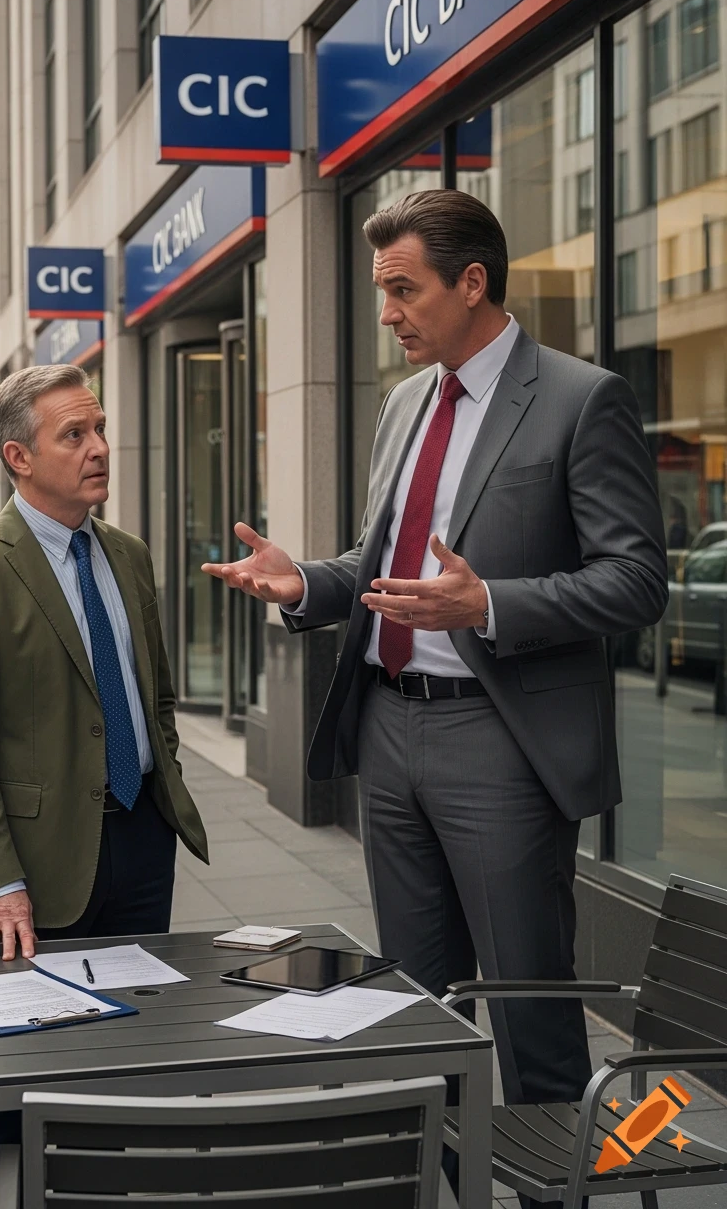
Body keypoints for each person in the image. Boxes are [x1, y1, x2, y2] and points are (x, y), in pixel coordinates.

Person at [205, 189, 668, 1207]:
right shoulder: (404, 402)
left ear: (471, 282)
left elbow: (637, 579)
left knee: (527, 1011)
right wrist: (305, 583)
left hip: (500, 746)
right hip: (389, 729)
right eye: (379, 292)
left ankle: (560, 1192)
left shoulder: (580, 399)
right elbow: (380, 564)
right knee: (414, 1004)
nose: (385, 313)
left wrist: (489, 602)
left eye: (401, 288)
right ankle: (443, 1188)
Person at [0, 363, 207, 1209]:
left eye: (100, 428)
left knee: (126, 1066)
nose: (99, 449)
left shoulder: (128, 554)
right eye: (73, 435)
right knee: (12, 1089)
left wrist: (165, 782)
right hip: (33, 871)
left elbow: (152, 691)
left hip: (140, 841)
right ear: (18, 456)